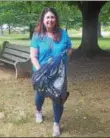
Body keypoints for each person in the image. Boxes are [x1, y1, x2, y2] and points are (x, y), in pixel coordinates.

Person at [30, 7, 72, 137]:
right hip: (42, 73)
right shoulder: (37, 35)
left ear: (56, 19)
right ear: (43, 20)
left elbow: (70, 48)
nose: (50, 20)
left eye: (52, 17)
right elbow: (33, 56)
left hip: (59, 74)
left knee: (58, 99)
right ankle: (38, 110)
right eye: (47, 17)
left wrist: (63, 59)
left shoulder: (63, 33)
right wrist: (40, 70)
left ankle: (56, 124)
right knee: (40, 95)